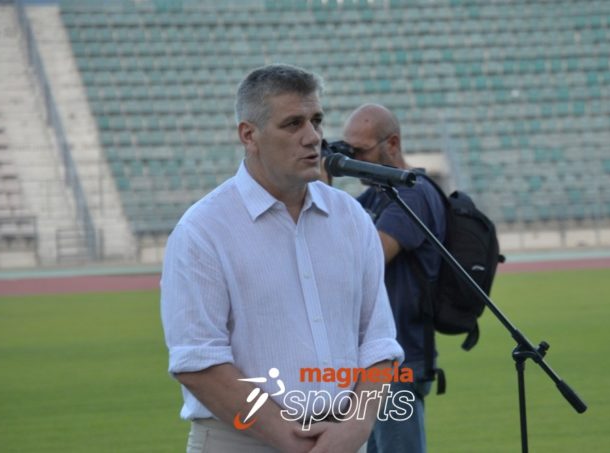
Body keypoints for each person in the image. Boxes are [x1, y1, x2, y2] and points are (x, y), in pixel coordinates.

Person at [160, 65, 404, 453]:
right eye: (293, 124)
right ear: (249, 135)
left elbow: (378, 343)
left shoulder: (352, 218)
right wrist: (291, 437)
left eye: (316, 121)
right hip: (241, 442)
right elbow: (199, 361)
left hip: (343, 441)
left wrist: (357, 425)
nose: (313, 137)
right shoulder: (203, 230)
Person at [341, 104, 446, 453]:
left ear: (393, 144)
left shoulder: (413, 192)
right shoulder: (376, 194)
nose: (353, 160)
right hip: (373, 358)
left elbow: (368, 259)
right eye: (348, 151)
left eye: (361, 151)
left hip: (400, 359)